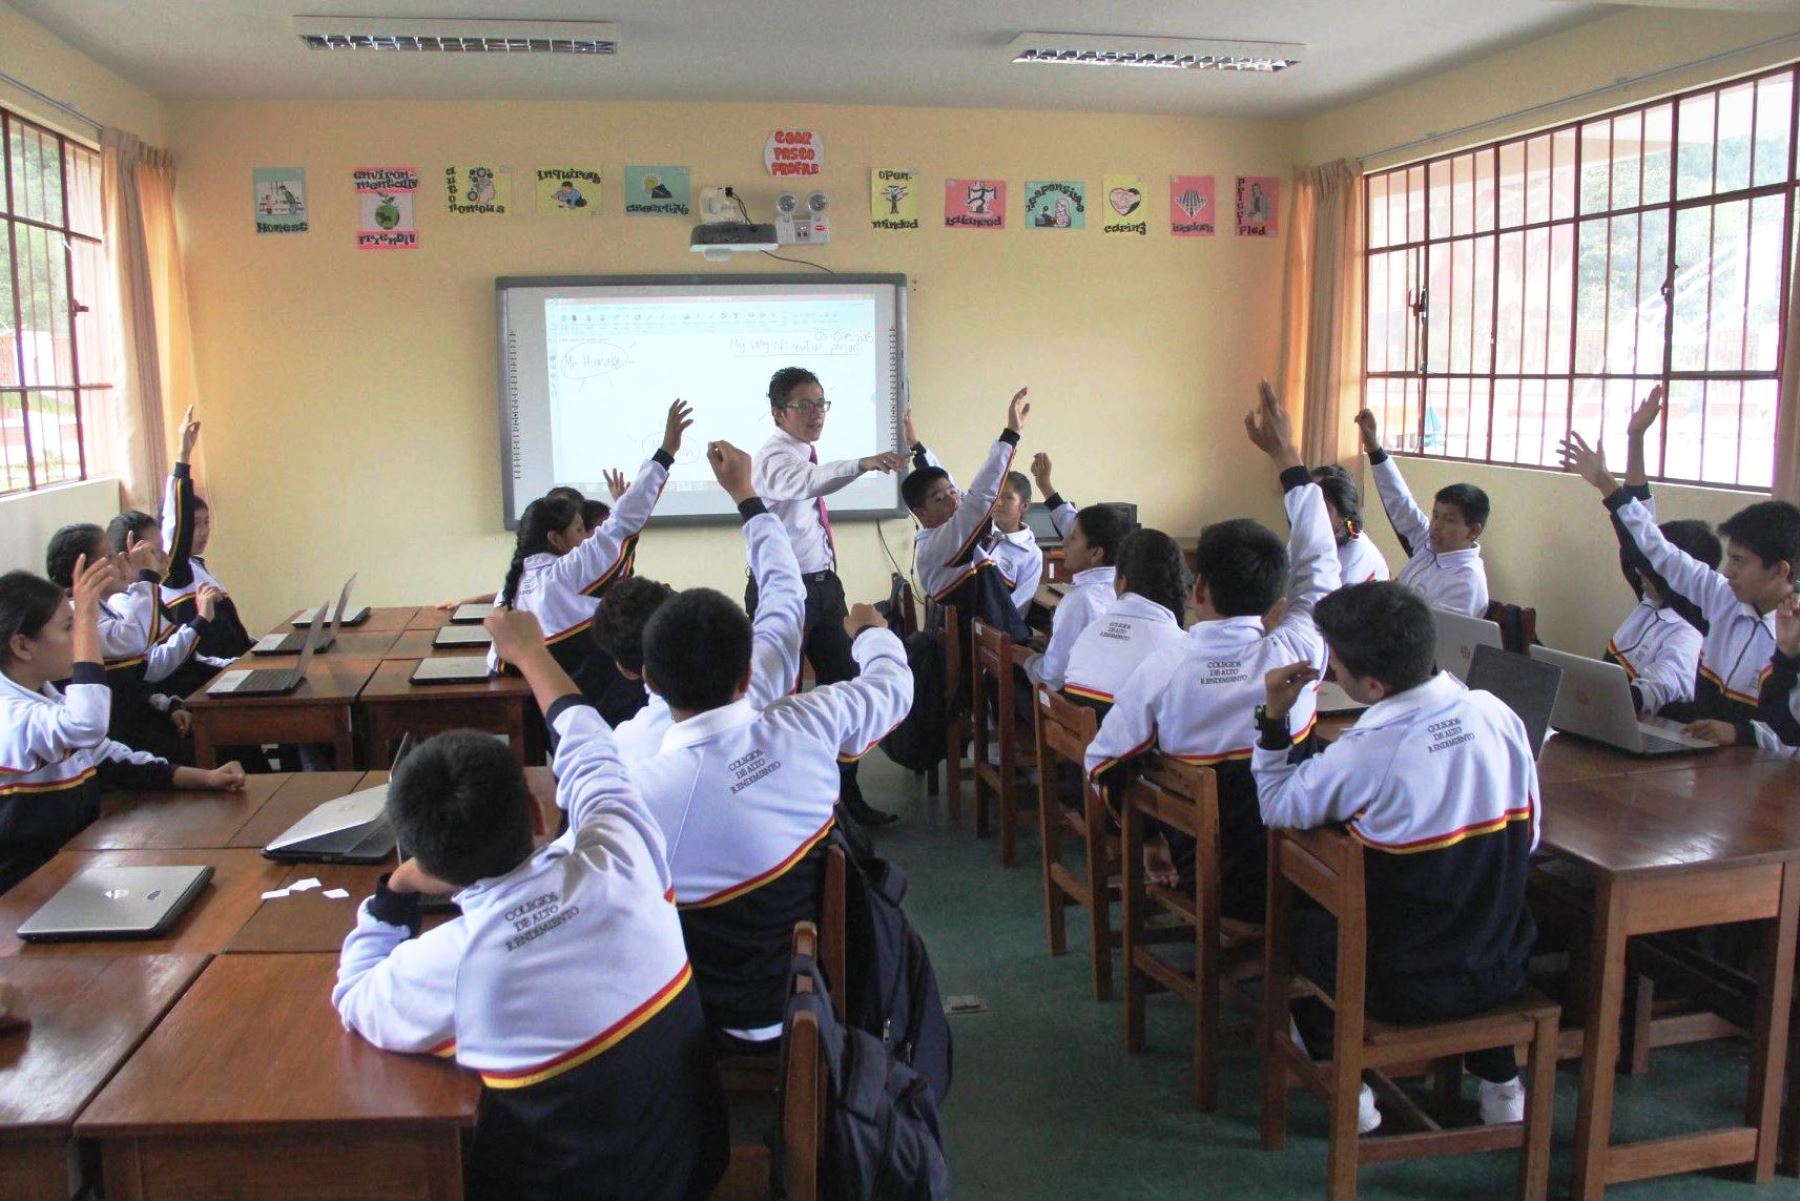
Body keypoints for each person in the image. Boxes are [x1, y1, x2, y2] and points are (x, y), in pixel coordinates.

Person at [334, 606, 726, 1201]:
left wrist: (395, 893)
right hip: (693, 1165)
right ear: (539, 813)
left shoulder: (456, 965)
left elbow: (357, 995)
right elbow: (590, 749)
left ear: (433, 868)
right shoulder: (624, 851)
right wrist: (530, 652)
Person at [632, 446, 913, 1044]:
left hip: (686, 1015)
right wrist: (871, 635)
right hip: (808, 992)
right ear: (744, 671)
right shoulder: (806, 721)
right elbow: (792, 600)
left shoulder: (634, 786)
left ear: (650, 682)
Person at [1255, 581, 1538, 1132]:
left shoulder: (1371, 748)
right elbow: (1527, 841)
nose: (1330, 670)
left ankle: (1352, 1092)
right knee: (1470, 906)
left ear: (1374, 684)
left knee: (1298, 933)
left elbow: (1277, 806)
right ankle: (1502, 1085)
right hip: (1500, 964)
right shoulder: (1499, 715)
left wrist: (1273, 719)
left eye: (1335, 662)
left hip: (1400, 986)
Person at [1085, 382, 1340, 915]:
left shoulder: (1164, 667)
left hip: (1203, 878)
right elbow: (1319, 561)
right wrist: (1286, 454)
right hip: (1295, 882)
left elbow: (1103, 762)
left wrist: (1150, 838)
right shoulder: (1297, 653)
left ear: (1198, 589)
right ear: (1277, 597)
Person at [0, 562, 244, 892]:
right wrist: (86, 617)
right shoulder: (10, 715)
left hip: (71, 871)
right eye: (68, 627)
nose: (82, 638)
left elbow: (110, 756)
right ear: (22, 646)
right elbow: (86, 726)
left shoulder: (45, 696)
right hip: (21, 895)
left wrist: (205, 777)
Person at [1558, 425, 1799, 732]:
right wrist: (1607, 485)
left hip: (1765, 773)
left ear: (1780, 570)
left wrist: (1741, 734)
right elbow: (1659, 551)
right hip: (1705, 760)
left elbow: (1792, 739)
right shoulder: (1721, 597)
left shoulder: (1792, 630)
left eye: (1740, 561)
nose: (1727, 572)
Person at [750, 367, 909, 826]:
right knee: (781, 696)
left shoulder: (802, 452)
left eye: (821, 403)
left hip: (823, 585)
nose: (816, 413)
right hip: (783, 593)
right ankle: (790, 809)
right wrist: (862, 464)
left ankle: (847, 803)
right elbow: (809, 483)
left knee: (844, 684)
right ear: (779, 412)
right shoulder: (773, 458)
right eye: (805, 405)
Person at [596, 444, 805, 766]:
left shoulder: (625, 750)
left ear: (633, 671)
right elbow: (784, 589)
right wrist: (745, 494)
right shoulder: (764, 677)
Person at [491, 402, 687, 723]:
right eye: (580, 530)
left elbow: (496, 661)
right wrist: (665, 452)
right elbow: (622, 524)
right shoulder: (564, 573)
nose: (586, 538)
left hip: (555, 713)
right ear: (556, 539)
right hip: (607, 708)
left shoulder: (515, 587)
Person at [905, 407, 1043, 617]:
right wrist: (1011, 434)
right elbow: (979, 498)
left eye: (953, 492)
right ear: (922, 513)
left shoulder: (1029, 553)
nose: (954, 498)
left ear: (1025, 506)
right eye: (941, 498)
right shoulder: (944, 539)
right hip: (978, 641)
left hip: (994, 634)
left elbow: (951, 487)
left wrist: (917, 447)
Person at [1355, 408, 1490, 617]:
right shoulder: (1429, 544)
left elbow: (1431, 635)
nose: (1436, 526)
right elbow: (1400, 502)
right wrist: (1373, 448)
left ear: (1473, 531)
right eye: (1435, 516)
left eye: (1449, 520)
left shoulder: (1467, 581)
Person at [1022, 455, 1131, 692]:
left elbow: (1052, 678)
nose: (1065, 543)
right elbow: (1070, 521)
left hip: (1070, 709)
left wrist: (1026, 658)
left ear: (1095, 553)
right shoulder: (1120, 585)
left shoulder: (1079, 600)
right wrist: (1045, 485)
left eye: (1073, 538)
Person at [159, 406, 254, 659]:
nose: (202, 532)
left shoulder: (196, 566)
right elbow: (175, 522)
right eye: (194, 525)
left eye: (206, 523)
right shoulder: (174, 571)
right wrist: (183, 455)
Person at [1060, 528, 1188, 713]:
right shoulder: (1179, 648)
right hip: (1129, 740)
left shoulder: (1088, 633)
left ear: (1120, 583)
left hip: (1072, 738)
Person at [1309, 464, 1390, 586]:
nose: (1312, 511)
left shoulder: (1355, 549)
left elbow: (1334, 601)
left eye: (1324, 507)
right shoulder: (1306, 535)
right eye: (1309, 499)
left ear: (1343, 515)